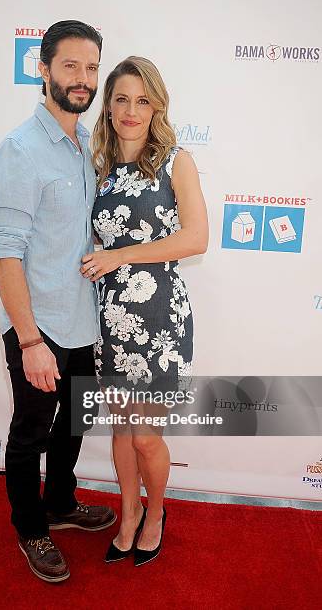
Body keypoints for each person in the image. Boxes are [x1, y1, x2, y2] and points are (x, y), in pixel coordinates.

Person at [0, 21, 116, 584]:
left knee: (74, 427)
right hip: (40, 327)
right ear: (43, 69)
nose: (83, 80)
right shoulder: (20, 149)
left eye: (91, 68)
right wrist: (30, 339)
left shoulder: (89, 144)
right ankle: (30, 526)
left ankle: (61, 505)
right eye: (71, 66)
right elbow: (6, 252)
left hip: (85, 321)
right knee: (31, 432)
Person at [81, 56, 208, 566]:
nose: (131, 110)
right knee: (120, 429)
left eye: (142, 99)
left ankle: (156, 513)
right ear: (108, 107)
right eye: (121, 99)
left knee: (145, 434)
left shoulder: (176, 160)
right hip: (110, 320)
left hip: (158, 320)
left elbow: (197, 238)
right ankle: (127, 514)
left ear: (156, 105)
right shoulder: (99, 168)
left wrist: (121, 255)